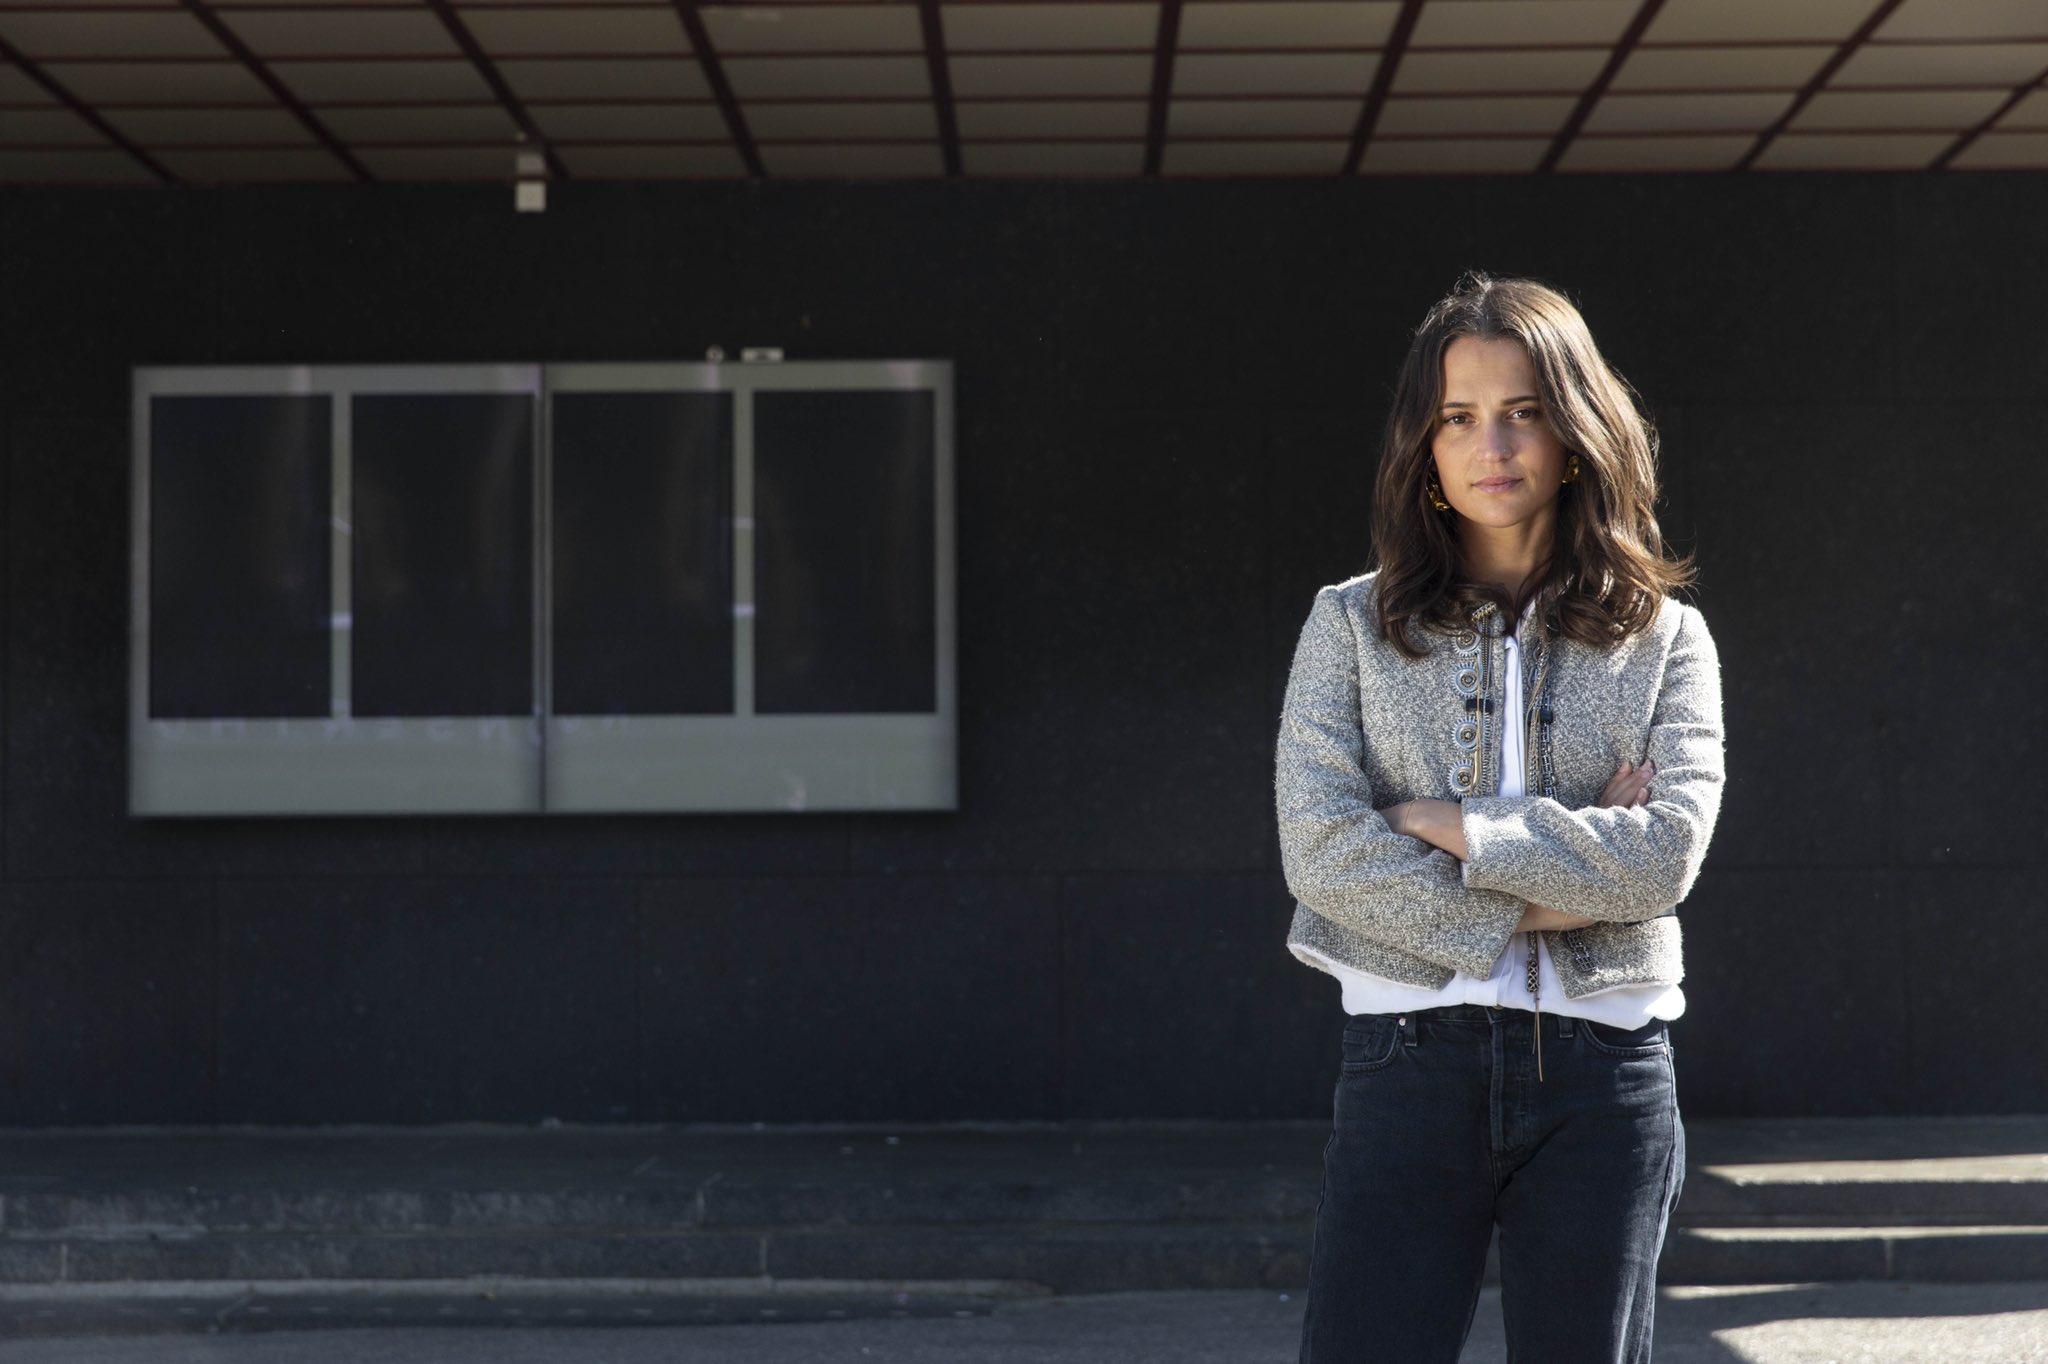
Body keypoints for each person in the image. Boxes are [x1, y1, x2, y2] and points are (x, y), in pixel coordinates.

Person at [1276, 273, 1724, 1364]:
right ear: (1421, 447)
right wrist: (1561, 875)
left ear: (1573, 431)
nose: (1493, 443)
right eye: (1458, 417)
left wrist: (1446, 821)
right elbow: (1322, 850)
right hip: (1404, 1061)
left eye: (1522, 410)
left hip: (1603, 1079)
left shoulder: (1666, 637)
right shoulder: (1348, 624)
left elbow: (1660, 857)